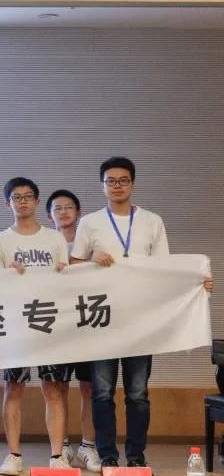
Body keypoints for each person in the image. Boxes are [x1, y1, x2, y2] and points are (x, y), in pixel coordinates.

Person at [71, 157, 210, 469]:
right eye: (111, 181)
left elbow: (164, 269)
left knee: (137, 394)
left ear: (132, 184)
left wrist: (197, 282)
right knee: (102, 393)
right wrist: (92, 260)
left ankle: (135, 457)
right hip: (103, 320)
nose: (117, 186)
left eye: (123, 180)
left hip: (141, 321)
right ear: (102, 186)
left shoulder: (152, 221)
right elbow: (73, 266)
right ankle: (108, 456)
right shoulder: (90, 223)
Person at [0, 178, 71, 474]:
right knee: (13, 388)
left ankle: (57, 456)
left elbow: (67, 280)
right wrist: (6, 274)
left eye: (28, 197)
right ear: (8, 204)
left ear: (37, 202)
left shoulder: (55, 239)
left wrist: (63, 273)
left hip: (50, 322)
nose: (22, 201)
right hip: (16, 324)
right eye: (16, 197)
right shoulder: (0, 241)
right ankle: (13, 455)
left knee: (54, 389)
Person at [46, 189, 100, 471]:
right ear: (49, 216)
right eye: (57, 208)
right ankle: (62, 446)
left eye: (69, 207)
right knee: (58, 387)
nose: (63, 212)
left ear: (79, 212)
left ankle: (88, 447)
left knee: (90, 387)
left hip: (88, 322)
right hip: (55, 326)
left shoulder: (91, 243)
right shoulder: (43, 244)